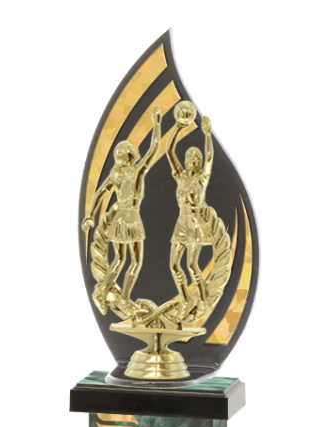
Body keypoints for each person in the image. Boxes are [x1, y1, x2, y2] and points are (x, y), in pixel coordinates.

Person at [83, 107, 162, 306]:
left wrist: (90, 214)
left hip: (124, 219)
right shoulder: (135, 171)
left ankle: (107, 293)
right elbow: (153, 148)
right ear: (129, 155)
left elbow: (100, 193)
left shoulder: (120, 174)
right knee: (134, 261)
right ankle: (120, 296)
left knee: (121, 260)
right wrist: (157, 124)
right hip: (129, 218)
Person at [166, 109, 221, 308]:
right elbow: (169, 151)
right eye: (189, 158)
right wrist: (178, 127)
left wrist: (207, 134)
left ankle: (204, 300)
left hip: (195, 223)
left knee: (191, 265)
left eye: (195, 158)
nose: (192, 161)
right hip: (182, 221)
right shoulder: (181, 177)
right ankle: (186, 300)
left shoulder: (201, 179)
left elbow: (209, 159)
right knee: (174, 265)